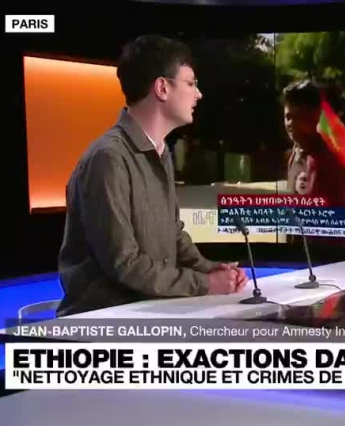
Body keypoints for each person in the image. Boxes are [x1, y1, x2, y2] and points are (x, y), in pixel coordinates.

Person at [57, 35, 246, 317]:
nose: (198, 94)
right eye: (191, 83)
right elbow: (124, 263)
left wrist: (211, 270)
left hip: (151, 313)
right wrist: (205, 284)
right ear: (162, 88)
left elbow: (173, 233)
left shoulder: (161, 152)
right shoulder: (108, 158)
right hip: (107, 324)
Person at [283, 80, 345, 208]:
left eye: (299, 116)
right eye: (288, 117)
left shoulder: (328, 161)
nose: (291, 123)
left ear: (316, 115)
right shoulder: (296, 153)